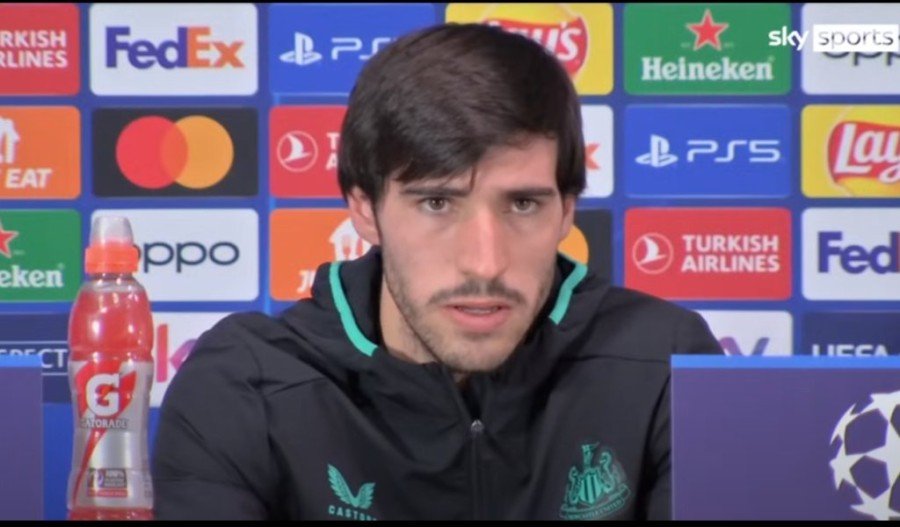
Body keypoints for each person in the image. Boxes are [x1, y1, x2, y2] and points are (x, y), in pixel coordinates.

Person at [152, 23, 723, 521]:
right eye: (437, 203)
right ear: (364, 209)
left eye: (523, 204)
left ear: (567, 210)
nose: (485, 262)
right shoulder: (246, 385)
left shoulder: (667, 362)